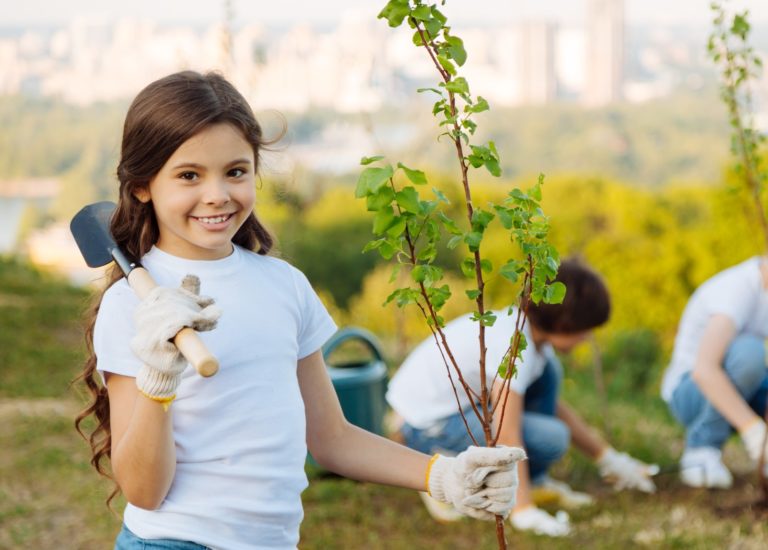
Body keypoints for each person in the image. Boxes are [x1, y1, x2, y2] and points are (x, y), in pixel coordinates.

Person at [73, 71, 526, 550]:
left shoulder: (284, 285)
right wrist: (158, 382)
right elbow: (144, 492)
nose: (217, 195)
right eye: (189, 175)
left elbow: (331, 437)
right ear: (143, 185)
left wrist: (444, 475)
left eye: (235, 171)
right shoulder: (133, 306)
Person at [386, 259, 657, 537]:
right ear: (565, 323)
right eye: (584, 330)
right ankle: (446, 465)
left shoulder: (530, 335)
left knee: (549, 375)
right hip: (423, 425)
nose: (586, 338)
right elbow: (507, 430)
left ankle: (533, 480)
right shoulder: (513, 344)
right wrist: (522, 509)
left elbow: (556, 408)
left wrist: (609, 459)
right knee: (551, 438)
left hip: (450, 409)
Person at [661, 256, 768, 489]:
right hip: (689, 392)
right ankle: (701, 449)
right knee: (749, 353)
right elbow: (704, 371)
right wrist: (755, 432)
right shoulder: (738, 290)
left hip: (738, 389)